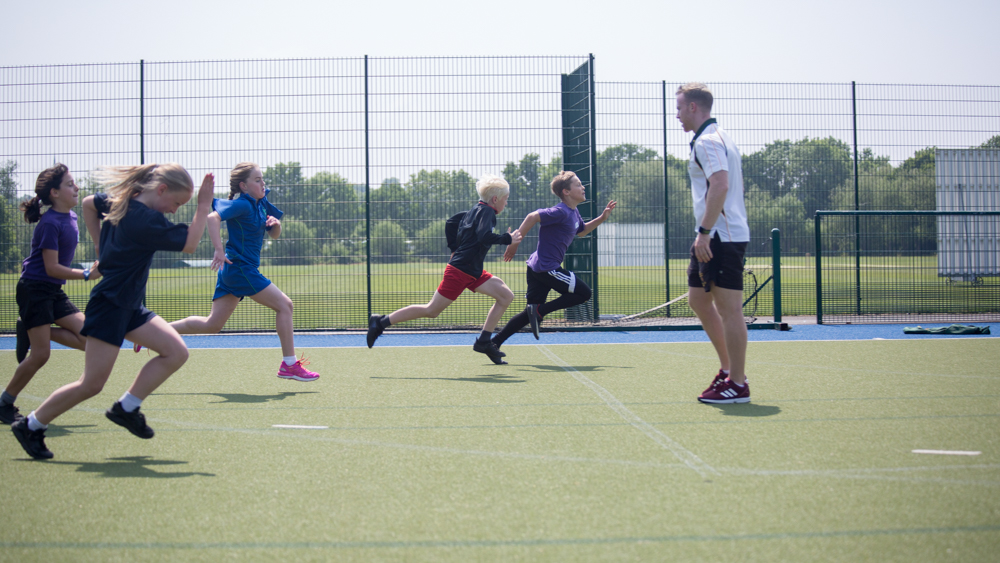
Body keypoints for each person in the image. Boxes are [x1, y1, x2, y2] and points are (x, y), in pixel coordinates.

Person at [10, 163, 214, 460]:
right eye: (176, 203)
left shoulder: (123, 202)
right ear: (160, 190)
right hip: (110, 306)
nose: (174, 210)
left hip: (129, 305)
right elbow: (191, 243)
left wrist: (99, 247)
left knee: (176, 352)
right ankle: (30, 425)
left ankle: (126, 407)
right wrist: (203, 205)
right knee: (90, 384)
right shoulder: (145, 221)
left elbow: (89, 203)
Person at [136, 162, 319, 382]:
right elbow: (213, 217)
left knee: (212, 324)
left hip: (234, 270)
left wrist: (275, 224)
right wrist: (219, 251)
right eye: (258, 180)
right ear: (243, 185)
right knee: (285, 305)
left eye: (263, 179)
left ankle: (150, 333)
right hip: (240, 268)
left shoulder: (261, 204)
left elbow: (274, 235)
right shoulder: (241, 204)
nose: (263, 184)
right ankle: (289, 364)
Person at [366, 173, 522, 364]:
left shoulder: (476, 209)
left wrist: (454, 248)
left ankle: (484, 341)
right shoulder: (488, 212)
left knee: (505, 295)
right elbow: (483, 236)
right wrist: (508, 239)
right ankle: (380, 322)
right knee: (431, 310)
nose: (506, 203)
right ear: (495, 199)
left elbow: (451, 223)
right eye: (506, 199)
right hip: (460, 271)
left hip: (472, 270)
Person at [1, 165, 101, 425]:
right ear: (55, 192)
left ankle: (30, 330)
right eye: (70, 184)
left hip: (52, 290)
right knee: (41, 355)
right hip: (34, 289)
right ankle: (4, 403)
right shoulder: (49, 224)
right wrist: (87, 274)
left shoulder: (72, 217)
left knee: (89, 338)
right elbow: (51, 268)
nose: (76, 187)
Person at [675, 82, 752, 404]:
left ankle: (737, 382)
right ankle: (727, 369)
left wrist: (704, 231)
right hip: (714, 234)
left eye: (679, 108)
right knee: (698, 300)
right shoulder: (716, 137)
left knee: (729, 310)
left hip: (721, 236)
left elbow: (720, 184)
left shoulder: (707, 141)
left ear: (693, 107)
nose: (677, 115)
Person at [491, 171, 615, 353]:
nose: (583, 187)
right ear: (566, 192)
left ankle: (493, 343)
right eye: (578, 185)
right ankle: (541, 311)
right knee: (584, 293)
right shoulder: (561, 211)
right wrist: (514, 242)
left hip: (537, 267)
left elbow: (581, 231)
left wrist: (602, 218)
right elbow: (533, 217)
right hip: (547, 268)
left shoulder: (573, 212)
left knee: (530, 313)